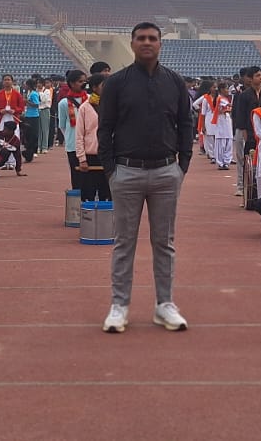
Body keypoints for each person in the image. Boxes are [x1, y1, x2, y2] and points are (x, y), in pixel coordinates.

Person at [97, 22, 195, 334]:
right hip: (126, 172)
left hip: (167, 172)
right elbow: (105, 128)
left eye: (153, 38)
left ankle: (164, 304)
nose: (147, 42)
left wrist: (183, 165)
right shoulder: (116, 84)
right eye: (141, 38)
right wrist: (111, 169)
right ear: (132, 42)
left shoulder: (175, 82)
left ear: (161, 44)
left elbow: (185, 123)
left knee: (164, 243)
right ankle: (119, 305)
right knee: (123, 242)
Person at [73, 73, 111, 202]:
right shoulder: (85, 108)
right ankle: (88, 220)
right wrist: (82, 159)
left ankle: (106, 221)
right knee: (88, 193)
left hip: (108, 155)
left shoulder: (113, 106)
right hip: (90, 156)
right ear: (94, 87)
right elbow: (79, 135)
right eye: (103, 85)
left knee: (107, 193)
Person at [232, 65, 261, 208]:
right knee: (247, 163)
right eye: (257, 75)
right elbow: (240, 115)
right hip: (248, 132)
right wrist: (245, 134)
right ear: (250, 79)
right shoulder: (244, 95)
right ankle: (246, 193)